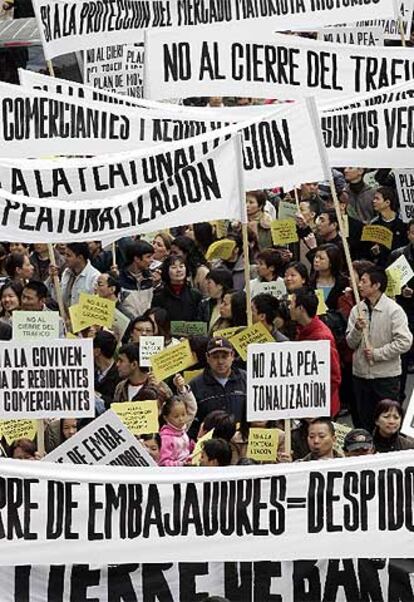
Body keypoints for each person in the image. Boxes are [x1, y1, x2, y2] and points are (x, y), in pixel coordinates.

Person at [346, 267, 413, 431]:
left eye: (364, 281)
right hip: (361, 376)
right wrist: (356, 329)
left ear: (376, 285)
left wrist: (377, 354)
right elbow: (350, 343)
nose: (359, 285)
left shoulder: (394, 310)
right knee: (363, 422)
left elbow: (405, 342)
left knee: (387, 425)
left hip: (386, 377)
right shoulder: (357, 310)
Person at [290, 288, 341, 417]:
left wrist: (317, 402)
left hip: (321, 408)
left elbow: (334, 377)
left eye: (292, 303)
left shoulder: (322, 337)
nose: (289, 307)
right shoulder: (301, 330)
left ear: (300, 308)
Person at [189, 336, 247, 437]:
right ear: (207, 357)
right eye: (215, 357)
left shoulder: (247, 379)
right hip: (210, 445)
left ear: (232, 355)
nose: (220, 362)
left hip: (241, 442)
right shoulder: (195, 385)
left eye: (224, 356)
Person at [152, 255, 202, 322]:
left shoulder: (195, 294)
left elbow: (201, 321)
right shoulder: (159, 295)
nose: (178, 270)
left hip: (190, 331)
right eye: (174, 267)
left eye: (181, 267)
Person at [367, 186, 407, 266]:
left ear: (387, 202)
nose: (373, 201)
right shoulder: (373, 224)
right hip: (383, 265)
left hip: (403, 265)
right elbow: (369, 249)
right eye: (374, 198)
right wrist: (375, 251)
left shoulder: (404, 222)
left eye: (377, 199)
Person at [310, 243, 348, 311]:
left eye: (321, 258)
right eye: (316, 257)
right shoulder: (310, 282)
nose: (316, 260)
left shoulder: (343, 283)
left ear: (331, 262)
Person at [159, 397, 194, 466]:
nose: (181, 419)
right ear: (166, 418)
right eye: (176, 416)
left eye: (183, 415)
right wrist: (181, 464)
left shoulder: (182, 431)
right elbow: (164, 462)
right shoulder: (165, 438)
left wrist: (193, 446)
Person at [198, 268, 233, 333]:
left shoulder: (233, 305)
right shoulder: (205, 305)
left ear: (220, 286)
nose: (207, 286)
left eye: (209, 283)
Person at [93, 330, 120, 408]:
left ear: (97, 351)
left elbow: (116, 404)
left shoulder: (119, 375)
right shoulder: (89, 369)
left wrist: (97, 395)